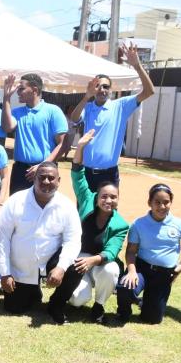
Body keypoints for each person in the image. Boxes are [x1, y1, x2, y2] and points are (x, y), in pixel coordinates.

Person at [46, 130, 129, 324]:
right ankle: (73, 295)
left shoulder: (121, 224)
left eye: (113, 197)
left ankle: (99, 306)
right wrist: (81, 146)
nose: (108, 200)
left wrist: (94, 260)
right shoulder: (87, 200)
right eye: (104, 196)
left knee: (111, 271)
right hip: (80, 257)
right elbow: (77, 173)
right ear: (97, 196)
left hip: (99, 262)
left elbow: (112, 250)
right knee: (77, 300)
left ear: (118, 199)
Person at [0, 162, 82, 314]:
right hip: (21, 268)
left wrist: (61, 268)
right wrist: (5, 273)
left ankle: (57, 303)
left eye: (51, 178)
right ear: (34, 178)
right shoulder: (15, 201)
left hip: (51, 262)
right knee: (14, 308)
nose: (46, 182)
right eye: (42, 177)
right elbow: (2, 239)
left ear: (59, 181)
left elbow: (73, 240)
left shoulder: (67, 206)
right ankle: (33, 290)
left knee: (75, 266)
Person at [66, 43, 155, 190]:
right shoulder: (87, 107)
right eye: (98, 86)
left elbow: (149, 91)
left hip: (109, 175)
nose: (102, 89)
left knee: (109, 213)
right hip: (87, 172)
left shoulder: (120, 106)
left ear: (111, 90)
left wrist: (137, 66)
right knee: (86, 212)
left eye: (106, 86)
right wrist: (86, 96)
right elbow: (74, 118)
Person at [118, 184, 181, 324]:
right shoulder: (139, 224)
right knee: (125, 287)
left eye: (166, 202)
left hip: (163, 274)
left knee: (152, 319)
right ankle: (124, 312)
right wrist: (131, 271)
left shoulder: (180, 225)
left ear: (171, 202)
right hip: (142, 268)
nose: (161, 206)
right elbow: (131, 251)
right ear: (149, 203)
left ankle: (146, 303)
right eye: (157, 202)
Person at [1, 73, 69, 193]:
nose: (18, 92)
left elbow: (63, 144)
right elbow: (7, 128)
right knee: (18, 209)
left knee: (44, 209)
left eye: (21, 88)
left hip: (45, 171)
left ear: (35, 90)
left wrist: (42, 166)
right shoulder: (17, 112)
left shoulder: (53, 111)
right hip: (20, 171)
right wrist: (6, 98)